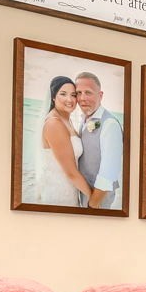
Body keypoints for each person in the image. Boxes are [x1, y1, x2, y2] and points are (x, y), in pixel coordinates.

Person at [37, 75, 95, 208]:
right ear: (53, 97)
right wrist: (93, 198)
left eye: (73, 95)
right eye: (63, 94)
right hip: (59, 194)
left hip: (70, 189)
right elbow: (71, 172)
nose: (69, 99)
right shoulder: (54, 124)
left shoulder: (65, 120)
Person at [72, 72, 124, 209]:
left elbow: (109, 171)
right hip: (85, 195)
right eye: (78, 93)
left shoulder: (109, 124)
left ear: (100, 95)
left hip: (98, 200)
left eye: (88, 92)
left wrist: (93, 204)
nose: (82, 98)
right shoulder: (83, 119)